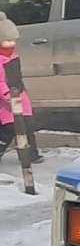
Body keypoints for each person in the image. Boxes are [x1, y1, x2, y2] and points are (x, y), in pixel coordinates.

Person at [0, 14, 42, 195]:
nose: (11, 44)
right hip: (7, 102)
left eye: (12, 40)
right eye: (6, 41)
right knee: (9, 129)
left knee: (27, 126)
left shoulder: (13, 56)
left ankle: (30, 153)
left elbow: (18, 76)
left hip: (20, 97)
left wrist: (23, 97)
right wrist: (8, 96)